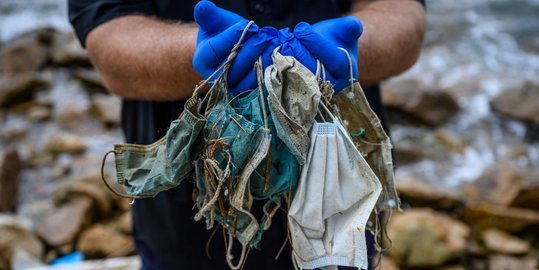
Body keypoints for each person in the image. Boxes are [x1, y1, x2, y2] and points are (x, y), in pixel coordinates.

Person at [68, 1, 425, 269]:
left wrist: (358, 47)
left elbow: (403, 13)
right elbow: (108, 33)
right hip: (186, 222)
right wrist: (193, 55)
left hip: (341, 207)